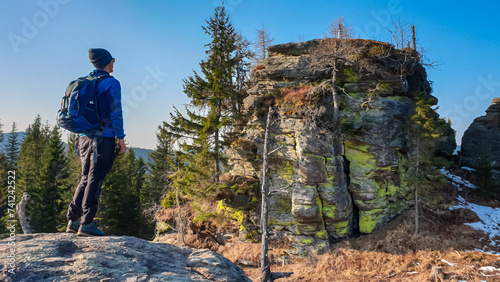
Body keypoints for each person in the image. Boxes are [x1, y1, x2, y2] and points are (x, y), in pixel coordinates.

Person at [65, 48, 127, 236]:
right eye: (112, 61)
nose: (114, 63)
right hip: (103, 137)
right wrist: (121, 138)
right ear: (107, 62)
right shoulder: (111, 83)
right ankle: (88, 223)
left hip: (84, 137)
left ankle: (73, 221)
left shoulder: (83, 82)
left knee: (84, 177)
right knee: (96, 178)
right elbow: (116, 112)